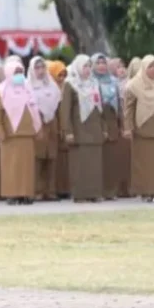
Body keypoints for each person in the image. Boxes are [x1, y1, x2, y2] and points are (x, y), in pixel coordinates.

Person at [0, 57, 41, 205]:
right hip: (10, 135)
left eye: (21, 72)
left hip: (27, 134)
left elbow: (34, 110)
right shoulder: (1, 90)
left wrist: (37, 128)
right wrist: (0, 130)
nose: (19, 75)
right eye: (16, 72)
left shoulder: (28, 88)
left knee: (26, 167)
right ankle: (12, 194)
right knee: (11, 166)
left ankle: (26, 193)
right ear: (9, 72)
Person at [59, 55, 105, 203]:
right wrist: (68, 131)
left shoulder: (94, 84)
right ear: (78, 67)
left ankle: (95, 193)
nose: (87, 69)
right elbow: (65, 110)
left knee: (95, 165)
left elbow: (101, 108)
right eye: (85, 66)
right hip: (79, 131)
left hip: (95, 130)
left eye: (89, 66)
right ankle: (80, 194)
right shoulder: (70, 84)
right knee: (80, 165)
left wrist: (103, 128)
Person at [93, 54, 130, 200]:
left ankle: (110, 191)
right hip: (97, 122)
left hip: (112, 122)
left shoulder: (113, 82)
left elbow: (119, 106)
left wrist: (122, 125)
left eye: (104, 63)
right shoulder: (90, 83)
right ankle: (97, 191)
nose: (101, 66)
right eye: (98, 63)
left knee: (111, 160)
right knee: (98, 160)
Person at [123, 55, 154, 203]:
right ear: (144, 68)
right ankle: (146, 191)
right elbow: (128, 108)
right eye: (151, 66)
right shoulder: (133, 85)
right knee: (144, 163)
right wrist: (128, 128)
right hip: (142, 129)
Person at [29, 56, 61, 201]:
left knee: (52, 158)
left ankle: (51, 190)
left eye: (43, 67)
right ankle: (37, 191)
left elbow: (57, 103)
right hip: (37, 123)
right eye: (37, 68)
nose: (41, 71)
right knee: (38, 158)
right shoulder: (28, 86)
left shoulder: (52, 85)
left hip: (52, 123)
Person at [47, 59, 71, 198]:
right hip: (54, 128)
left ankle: (65, 188)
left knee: (65, 160)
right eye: (58, 75)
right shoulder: (50, 91)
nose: (61, 78)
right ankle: (55, 189)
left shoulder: (67, 89)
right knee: (55, 160)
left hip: (65, 128)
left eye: (63, 75)